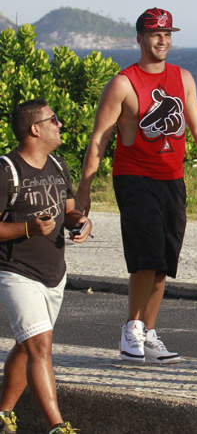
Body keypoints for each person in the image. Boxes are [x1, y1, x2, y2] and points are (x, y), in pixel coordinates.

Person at [77, 8, 197, 364]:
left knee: (165, 262)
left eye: (167, 34)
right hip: (134, 177)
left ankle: (149, 333)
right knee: (146, 256)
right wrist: (84, 190)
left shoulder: (182, 78)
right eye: (155, 34)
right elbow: (99, 141)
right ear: (139, 39)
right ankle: (131, 329)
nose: (162, 40)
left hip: (173, 179)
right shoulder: (123, 83)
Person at [0, 99, 91, 434]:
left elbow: (69, 210)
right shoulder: (6, 170)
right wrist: (27, 228)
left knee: (27, 346)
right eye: (54, 119)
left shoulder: (57, 164)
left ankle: (3, 412)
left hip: (54, 273)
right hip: (15, 272)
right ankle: (57, 426)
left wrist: (80, 222)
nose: (60, 125)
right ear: (35, 128)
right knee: (41, 345)